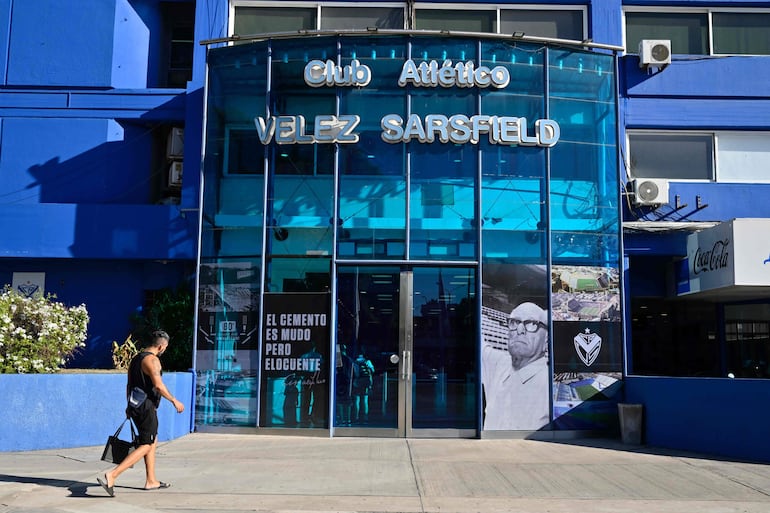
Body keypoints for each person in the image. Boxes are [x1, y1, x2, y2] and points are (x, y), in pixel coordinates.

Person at [98, 331, 185, 497]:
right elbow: (158, 386)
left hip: (136, 405)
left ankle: (151, 481)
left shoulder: (136, 359)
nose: (164, 350)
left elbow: (129, 384)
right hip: (146, 408)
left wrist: (128, 406)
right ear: (161, 346)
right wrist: (174, 401)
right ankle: (113, 475)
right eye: (165, 347)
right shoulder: (153, 360)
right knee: (146, 444)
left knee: (151, 441)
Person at [481, 302, 549, 430]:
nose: (520, 330)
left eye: (532, 324)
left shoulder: (550, 384)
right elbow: (477, 340)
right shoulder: (499, 364)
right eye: (514, 322)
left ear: (546, 339)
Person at [351, 352, 374, 423]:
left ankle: (355, 417)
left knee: (356, 401)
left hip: (357, 382)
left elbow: (354, 373)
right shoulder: (367, 361)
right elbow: (372, 371)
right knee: (364, 400)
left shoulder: (354, 361)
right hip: (366, 383)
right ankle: (364, 418)